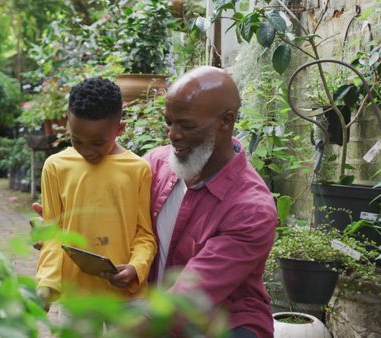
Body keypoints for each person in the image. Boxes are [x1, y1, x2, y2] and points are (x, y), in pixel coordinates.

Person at [143, 66, 277, 338]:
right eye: (169, 122)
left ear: (226, 121)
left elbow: (189, 298)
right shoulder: (155, 165)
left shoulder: (251, 209)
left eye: (187, 125)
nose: (173, 134)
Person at [35, 77, 157, 310]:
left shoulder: (138, 170)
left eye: (98, 143)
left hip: (125, 298)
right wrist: (47, 283)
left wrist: (135, 267)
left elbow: (144, 234)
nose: (87, 151)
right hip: (76, 297)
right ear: (68, 125)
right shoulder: (55, 166)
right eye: (77, 140)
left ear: (119, 129)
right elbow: (52, 233)